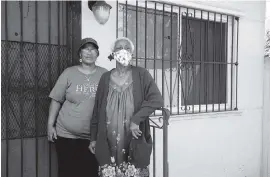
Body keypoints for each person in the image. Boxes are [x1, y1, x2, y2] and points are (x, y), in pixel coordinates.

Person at [89, 37, 164, 177]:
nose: (123, 50)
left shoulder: (142, 75)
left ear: (132, 53)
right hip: (108, 142)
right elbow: (97, 110)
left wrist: (136, 119)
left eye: (127, 48)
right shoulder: (105, 78)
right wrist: (93, 137)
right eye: (119, 48)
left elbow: (157, 100)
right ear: (113, 53)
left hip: (132, 139)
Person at [47, 38, 107, 177]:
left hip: (93, 138)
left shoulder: (105, 74)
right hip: (67, 136)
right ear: (80, 53)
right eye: (85, 48)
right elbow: (56, 99)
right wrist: (50, 125)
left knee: (90, 172)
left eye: (93, 49)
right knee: (67, 172)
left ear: (97, 54)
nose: (89, 52)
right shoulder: (69, 73)